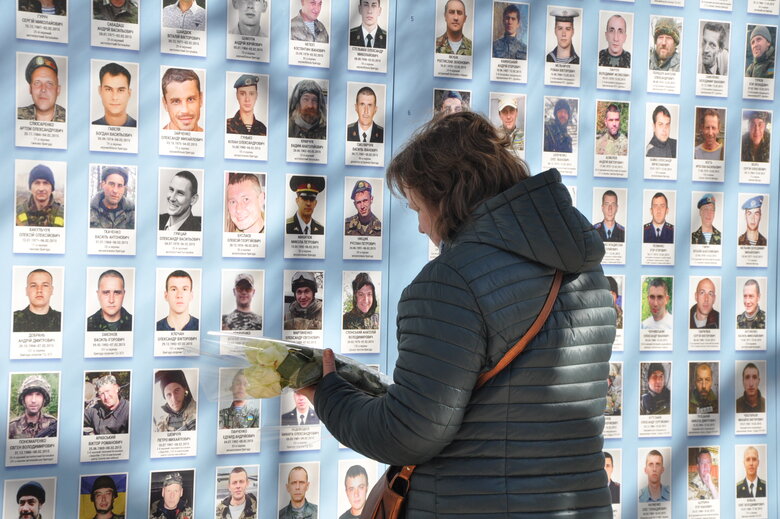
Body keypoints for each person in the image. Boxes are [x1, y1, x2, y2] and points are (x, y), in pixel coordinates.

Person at [300, 112, 615, 516]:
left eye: (418, 208)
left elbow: (409, 432)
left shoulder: (448, 282)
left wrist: (330, 395)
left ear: (445, 196)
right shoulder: (585, 271)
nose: (419, 226)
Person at [18, 55, 66, 122]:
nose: (43, 89)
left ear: (58, 90)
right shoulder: (16, 116)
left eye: (49, 83)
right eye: (37, 83)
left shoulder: (71, 118)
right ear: (30, 89)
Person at [93, 62, 136, 127]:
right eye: (108, 89)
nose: (114, 97)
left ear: (129, 93)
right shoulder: (91, 126)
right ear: (100, 90)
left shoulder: (141, 127)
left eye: (121, 90)